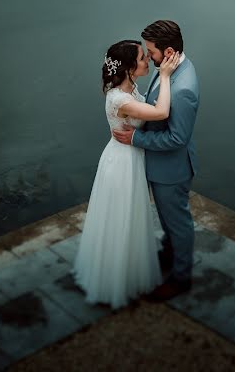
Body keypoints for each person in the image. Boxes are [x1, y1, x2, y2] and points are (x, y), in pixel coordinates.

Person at [73, 39, 181, 309]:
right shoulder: (121, 100)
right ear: (131, 67)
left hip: (129, 157)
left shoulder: (129, 87)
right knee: (121, 217)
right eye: (143, 58)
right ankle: (115, 281)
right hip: (121, 164)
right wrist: (166, 76)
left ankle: (128, 269)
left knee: (129, 216)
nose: (148, 61)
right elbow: (161, 111)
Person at [112, 20, 200, 301]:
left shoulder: (182, 87)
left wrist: (136, 140)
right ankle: (169, 253)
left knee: (178, 223)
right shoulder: (170, 68)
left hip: (171, 170)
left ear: (169, 50)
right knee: (168, 220)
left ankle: (181, 277)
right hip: (161, 166)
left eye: (151, 52)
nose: (148, 57)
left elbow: (177, 139)